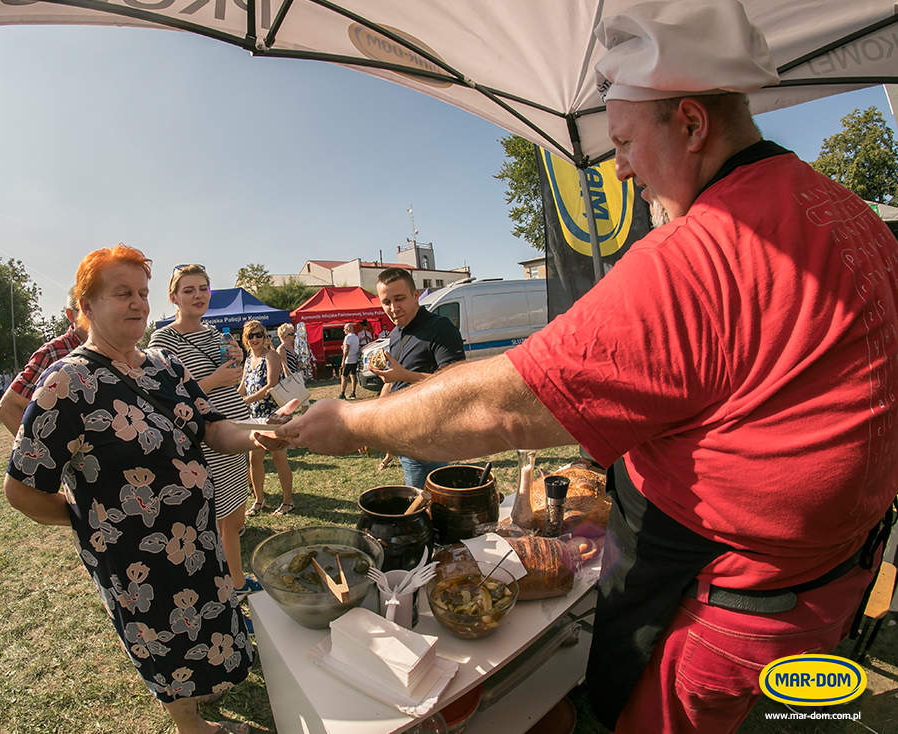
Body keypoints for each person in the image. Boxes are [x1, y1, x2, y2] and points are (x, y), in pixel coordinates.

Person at [274, 2, 898, 732]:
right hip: (826, 577)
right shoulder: (850, 213)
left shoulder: (703, 250)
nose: (621, 167)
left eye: (627, 141)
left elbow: (500, 405)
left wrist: (351, 423)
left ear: (692, 124)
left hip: (727, 592)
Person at [4, 244, 289, 734]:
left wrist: (260, 432)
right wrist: (91, 521)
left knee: (205, 624)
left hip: (196, 538)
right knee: (165, 643)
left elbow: (211, 428)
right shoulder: (65, 384)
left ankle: (202, 700)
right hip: (135, 557)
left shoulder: (162, 366)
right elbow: (22, 489)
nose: (138, 302)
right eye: (122, 293)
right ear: (86, 306)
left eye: (142, 292)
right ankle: (191, 726)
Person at [147, 265, 260, 601]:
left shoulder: (215, 333)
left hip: (236, 430)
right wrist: (214, 380)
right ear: (173, 297)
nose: (198, 295)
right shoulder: (162, 341)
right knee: (221, 518)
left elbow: (233, 383)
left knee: (236, 515)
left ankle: (235, 579)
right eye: (188, 290)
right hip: (207, 439)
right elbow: (166, 396)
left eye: (203, 288)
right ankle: (231, 588)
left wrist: (237, 366)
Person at [369, 267, 465, 488]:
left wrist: (405, 375)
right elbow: (392, 382)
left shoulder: (440, 328)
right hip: (405, 432)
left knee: (427, 500)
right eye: (386, 302)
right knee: (418, 498)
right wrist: (373, 419)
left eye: (399, 299)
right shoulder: (396, 333)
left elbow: (456, 383)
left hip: (431, 434)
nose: (393, 308)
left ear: (415, 295)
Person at [0, 288, 86, 435]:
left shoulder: (120, 350)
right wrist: (40, 451)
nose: (96, 315)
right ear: (71, 316)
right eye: (85, 308)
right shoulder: (52, 353)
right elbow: (7, 408)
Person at [238, 320, 294, 516]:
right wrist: (235, 401)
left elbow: (270, 386)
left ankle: (288, 501)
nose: (255, 339)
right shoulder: (247, 360)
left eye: (258, 335)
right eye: (251, 335)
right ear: (245, 339)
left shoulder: (271, 356)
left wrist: (246, 400)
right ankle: (259, 501)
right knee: (254, 460)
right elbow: (243, 388)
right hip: (254, 416)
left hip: (274, 415)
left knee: (279, 459)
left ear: (264, 336)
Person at [338, 323, 360, 400]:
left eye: (345, 328)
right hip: (355, 358)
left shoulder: (347, 338)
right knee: (353, 375)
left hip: (349, 360)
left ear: (349, 328)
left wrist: (343, 360)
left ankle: (342, 393)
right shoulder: (356, 337)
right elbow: (356, 347)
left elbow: (347, 350)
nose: (344, 330)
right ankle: (353, 392)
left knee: (343, 377)